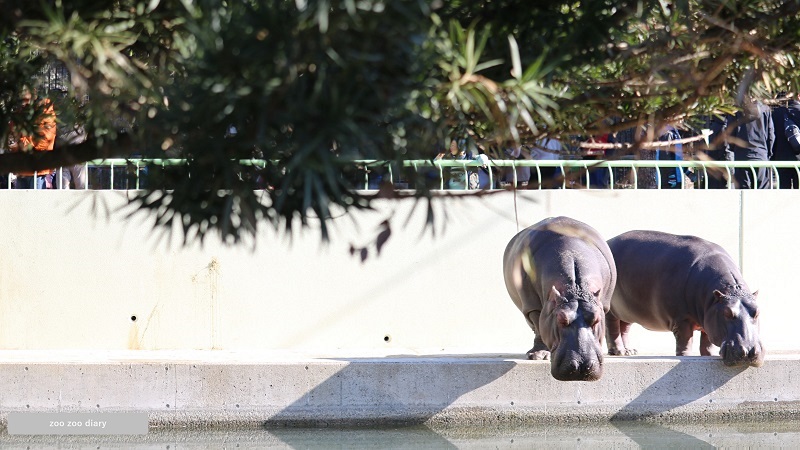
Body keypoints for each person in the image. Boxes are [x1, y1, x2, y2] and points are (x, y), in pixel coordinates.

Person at [7, 87, 57, 189]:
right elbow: (12, 135)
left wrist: (20, 142)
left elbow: (44, 142)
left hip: (37, 169)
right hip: (21, 167)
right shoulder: (20, 111)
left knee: (36, 203)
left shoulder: (45, 111)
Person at [731, 97, 775, 189]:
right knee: (762, 191)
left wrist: (734, 149)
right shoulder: (765, 109)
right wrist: (768, 152)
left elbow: (730, 133)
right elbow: (771, 134)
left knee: (742, 193)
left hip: (741, 155)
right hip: (760, 154)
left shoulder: (736, 110)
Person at [770, 91, 800, 189]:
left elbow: (771, 136)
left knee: (782, 191)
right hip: (798, 158)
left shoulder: (775, 114)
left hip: (781, 158)